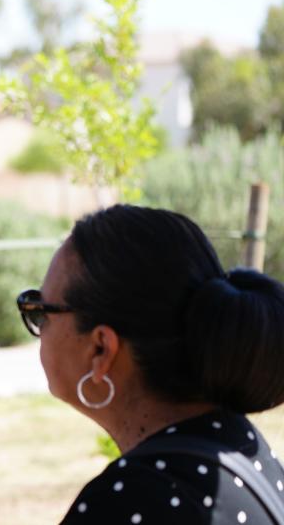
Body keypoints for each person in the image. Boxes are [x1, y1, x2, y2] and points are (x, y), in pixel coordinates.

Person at [17, 204, 284, 524]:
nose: (39, 327)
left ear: (101, 349)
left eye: (40, 310)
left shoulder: (129, 503)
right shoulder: (245, 448)